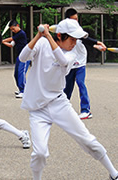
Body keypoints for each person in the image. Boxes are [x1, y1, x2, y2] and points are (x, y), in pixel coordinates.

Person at [19, 19, 118, 180]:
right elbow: (23, 57)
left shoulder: (72, 53)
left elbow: (63, 61)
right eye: (72, 39)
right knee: (40, 153)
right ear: (59, 35)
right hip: (38, 109)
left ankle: (114, 173)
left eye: (76, 40)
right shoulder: (42, 44)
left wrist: (48, 37)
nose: (74, 43)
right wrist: (38, 35)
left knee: (88, 140)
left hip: (59, 103)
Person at [63, 8, 106, 120]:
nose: (76, 21)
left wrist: (96, 44)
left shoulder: (78, 28)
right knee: (67, 87)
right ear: (68, 20)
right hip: (69, 61)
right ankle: (62, 108)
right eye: (74, 19)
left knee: (81, 83)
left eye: (77, 19)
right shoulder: (63, 29)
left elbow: (84, 39)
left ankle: (86, 110)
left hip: (80, 60)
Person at [2, 20, 30, 98]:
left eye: (13, 29)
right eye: (11, 30)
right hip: (19, 57)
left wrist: (3, 39)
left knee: (21, 73)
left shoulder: (21, 33)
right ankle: (20, 89)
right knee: (16, 74)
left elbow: (11, 39)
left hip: (25, 56)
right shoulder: (17, 35)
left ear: (17, 25)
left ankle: (24, 91)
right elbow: (11, 45)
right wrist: (2, 42)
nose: (13, 31)